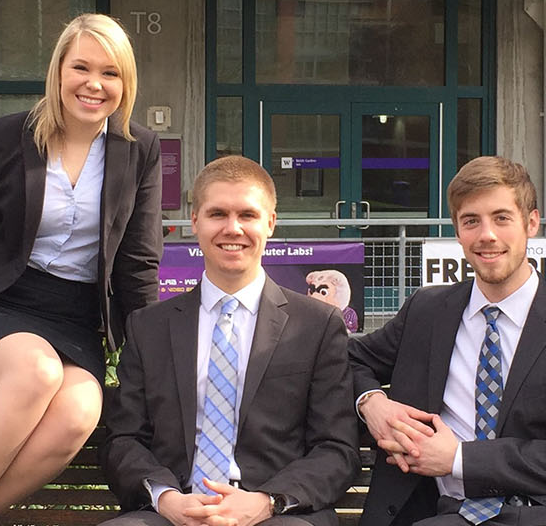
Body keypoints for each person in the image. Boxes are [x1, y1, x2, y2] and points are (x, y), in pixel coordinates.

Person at [0, 13, 163, 526]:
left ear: (125, 83)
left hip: (73, 321)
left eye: (110, 73)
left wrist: (153, 368)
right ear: (58, 71)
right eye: (81, 67)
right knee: (35, 372)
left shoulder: (138, 151)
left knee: (80, 412)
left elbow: (137, 267)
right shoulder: (4, 137)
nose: (94, 84)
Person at [349, 156, 546, 526]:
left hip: (540, 512)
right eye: (471, 221)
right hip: (437, 512)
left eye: (502, 218)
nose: (487, 235)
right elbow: (346, 358)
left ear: (532, 223)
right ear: (457, 231)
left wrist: (459, 459)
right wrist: (372, 404)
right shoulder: (427, 312)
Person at [100, 155, 359, 526]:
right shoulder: (148, 327)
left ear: (270, 223)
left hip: (274, 514)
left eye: (248, 215)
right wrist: (167, 498)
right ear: (195, 222)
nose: (233, 228)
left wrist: (266, 501)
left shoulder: (317, 326)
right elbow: (123, 440)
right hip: (174, 512)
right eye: (218, 214)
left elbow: (336, 449)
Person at [306, 269, 358, 333]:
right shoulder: (308, 313)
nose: (314, 296)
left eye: (323, 292)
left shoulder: (348, 314)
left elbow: (349, 333)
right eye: (312, 291)